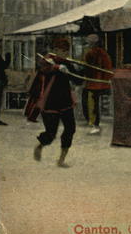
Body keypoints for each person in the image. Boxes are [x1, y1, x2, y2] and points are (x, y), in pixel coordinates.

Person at [29, 37, 82, 168]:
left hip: (65, 101)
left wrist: (81, 70)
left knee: (70, 129)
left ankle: (61, 160)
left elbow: (77, 80)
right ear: (56, 50)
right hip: (50, 102)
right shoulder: (48, 60)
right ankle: (40, 146)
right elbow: (44, 68)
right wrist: (58, 67)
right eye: (63, 51)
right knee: (51, 133)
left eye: (67, 51)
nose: (66, 54)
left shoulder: (67, 63)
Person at [82, 34, 113, 135]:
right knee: (96, 104)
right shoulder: (104, 53)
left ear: (92, 43)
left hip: (93, 83)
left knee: (91, 104)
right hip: (102, 83)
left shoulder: (90, 53)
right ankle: (96, 124)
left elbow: (87, 69)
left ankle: (95, 125)